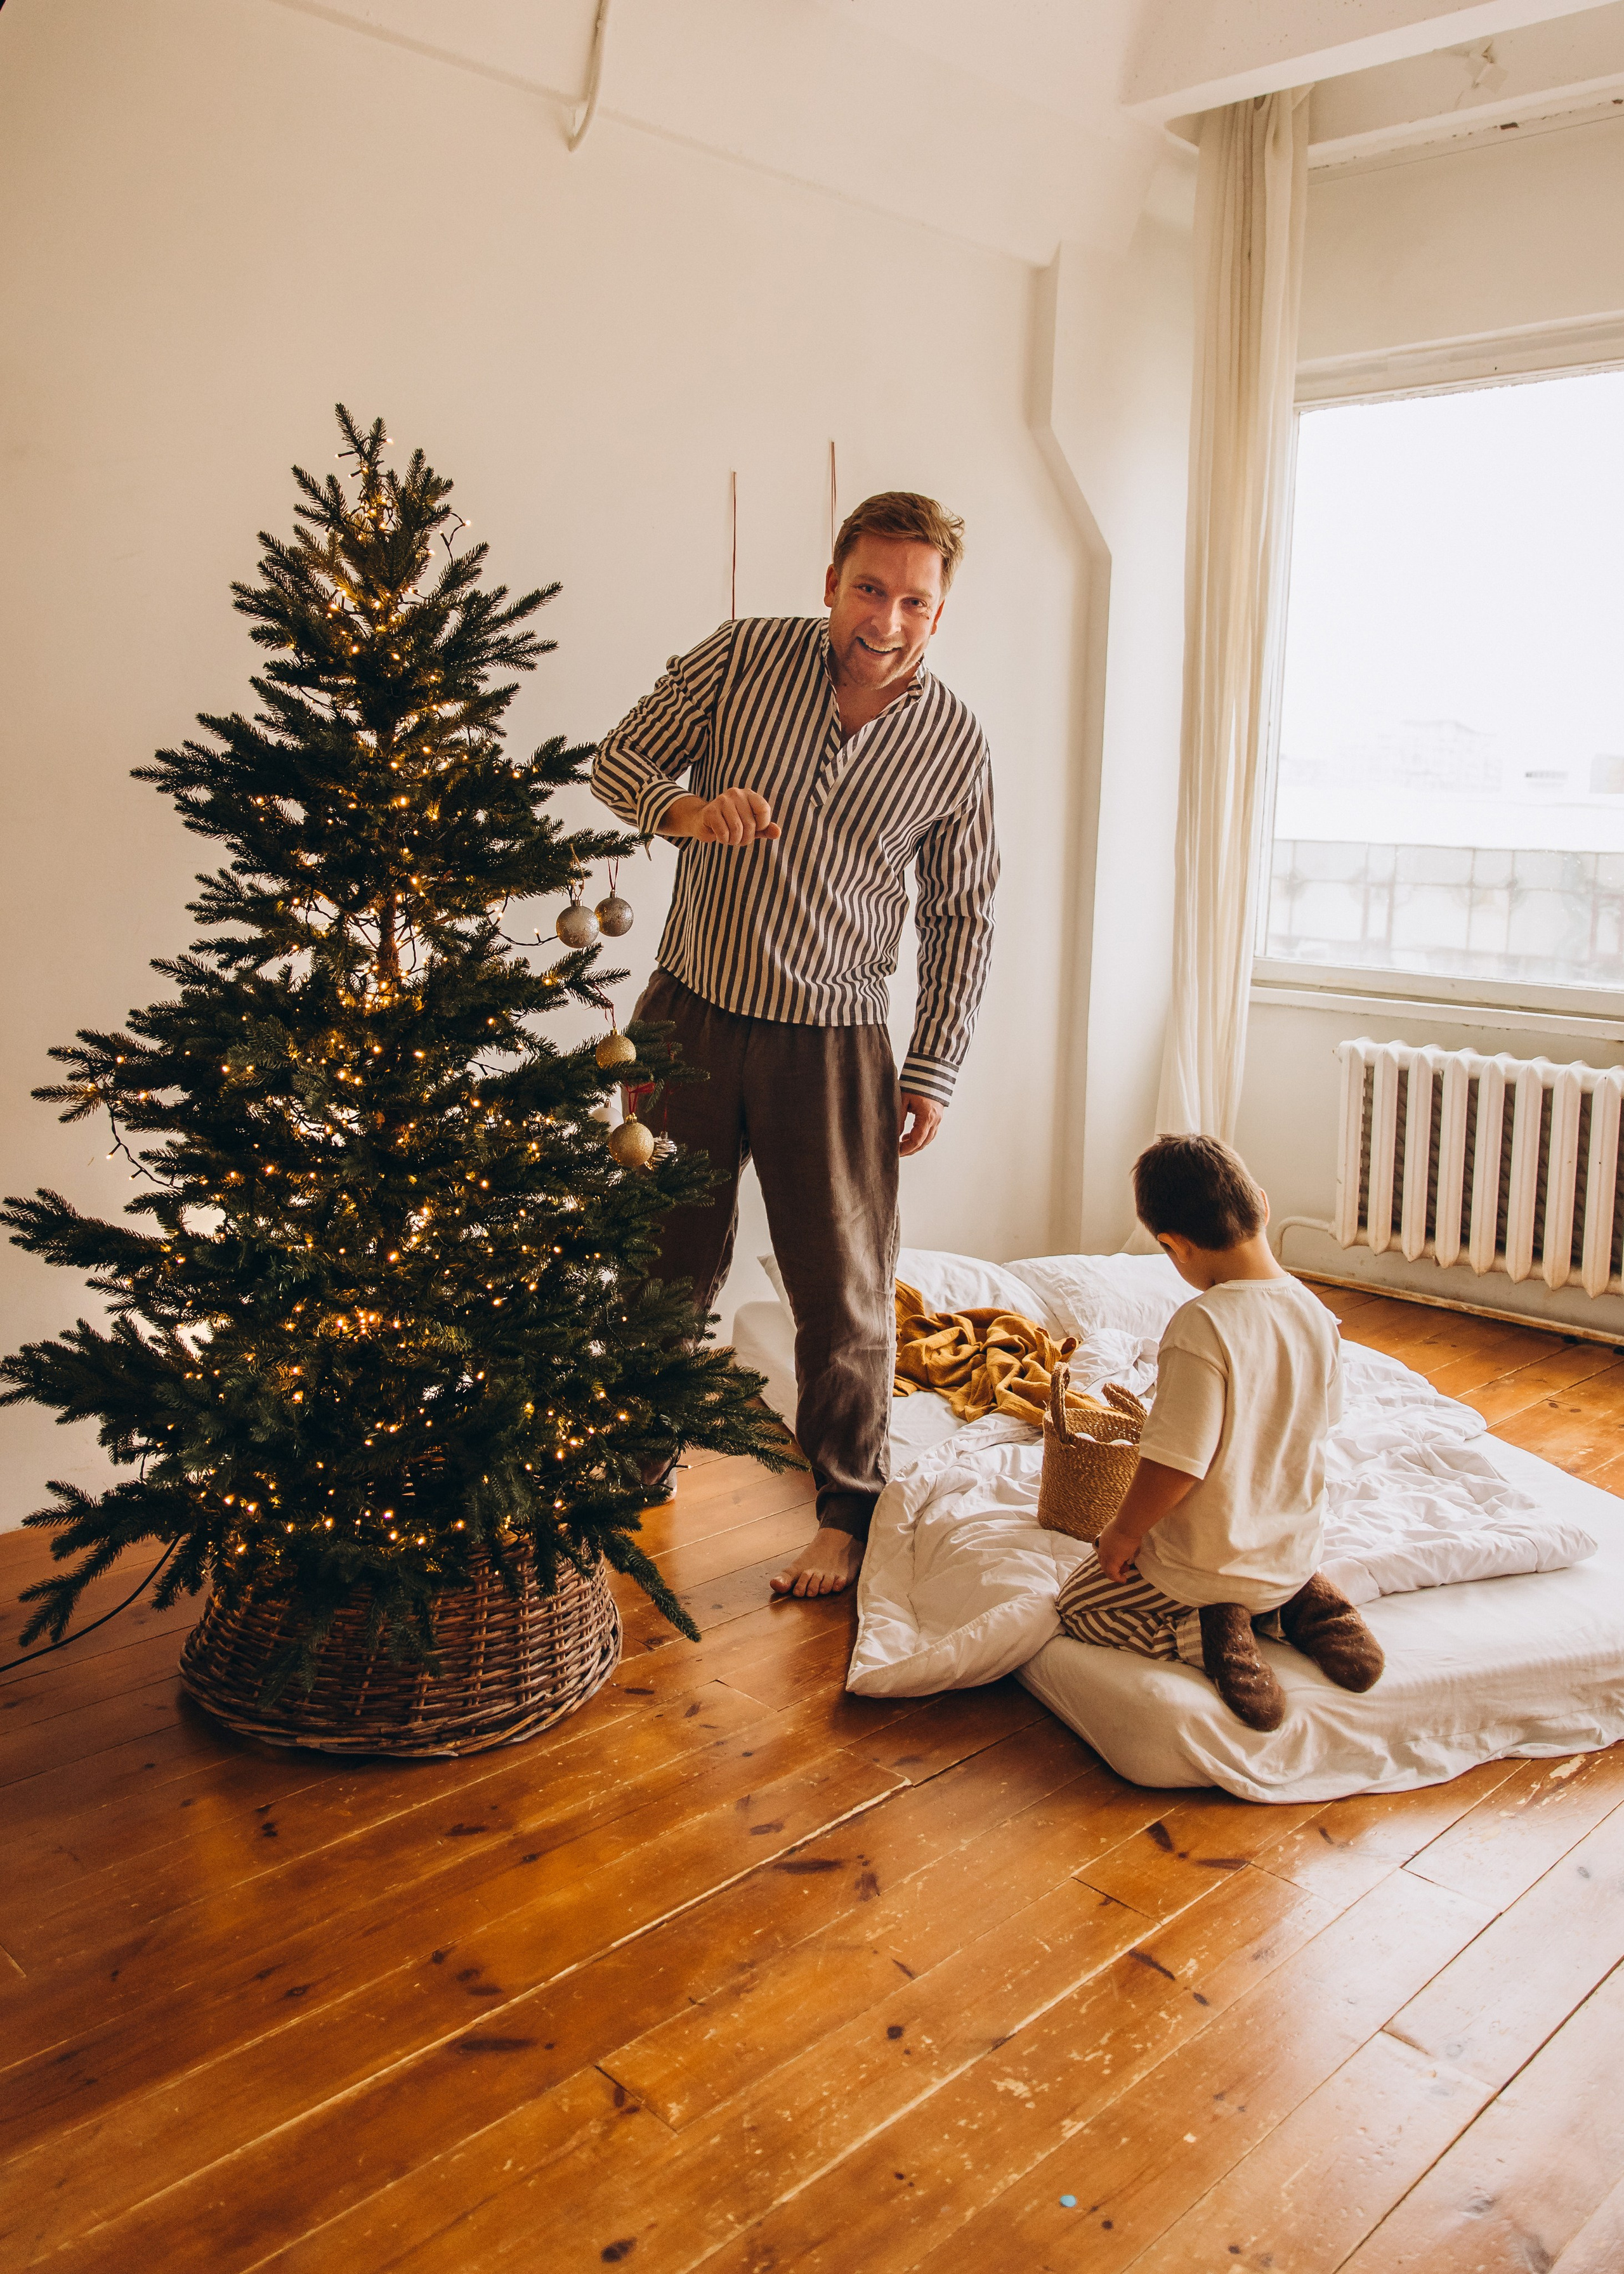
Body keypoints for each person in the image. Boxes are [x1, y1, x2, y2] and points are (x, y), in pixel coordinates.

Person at [591, 492, 999, 1598]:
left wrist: (933, 1069)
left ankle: (845, 1516)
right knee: (661, 1268)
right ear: (831, 583)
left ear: (939, 613)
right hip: (692, 1016)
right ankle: (633, 1467)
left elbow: (963, 916)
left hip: (835, 1047)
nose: (888, 618)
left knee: (845, 1290)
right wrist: (686, 812)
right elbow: (618, 758)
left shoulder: (956, 744)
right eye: (871, 588)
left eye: (915, 599)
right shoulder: (740, 660)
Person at [1056, 1134, 1384, 1730]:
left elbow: (1178, 1462)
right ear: (1261, 1201)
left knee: (1077, 1603)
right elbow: (1323, 1420)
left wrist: (1122, 1531)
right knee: (1274, 1573)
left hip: (1204, 1570)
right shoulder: (1315, 1313)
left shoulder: (1200, 1327)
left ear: (1173, 1246)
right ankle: (1301, 1604)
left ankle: (1205, 1633)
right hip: (1291, 1551)